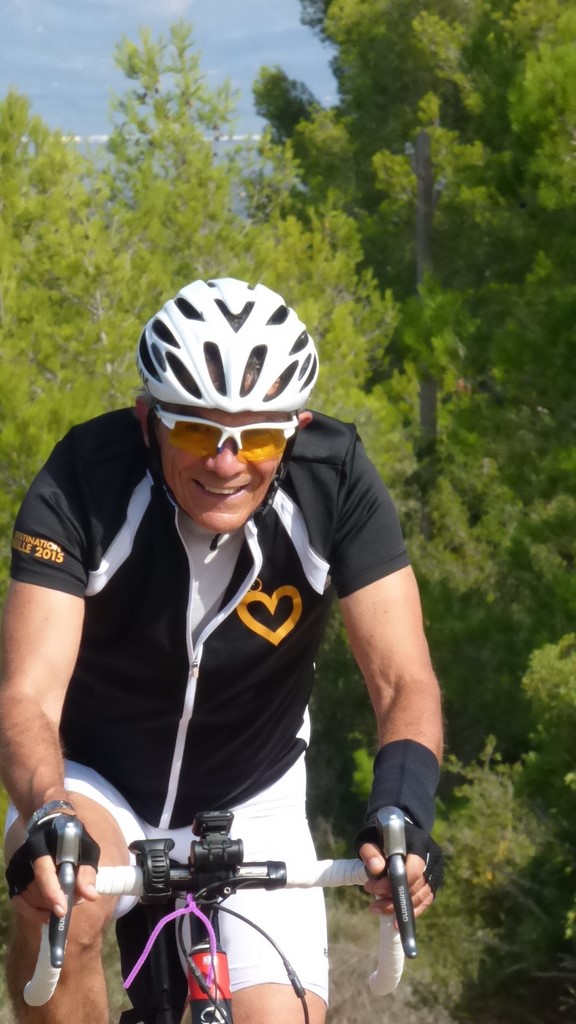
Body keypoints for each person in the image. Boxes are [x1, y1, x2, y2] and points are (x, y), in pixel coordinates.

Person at [0, 277, 443, 1024]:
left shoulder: (335, 480)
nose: (227, 463)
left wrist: (404, 809)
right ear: (148, 421)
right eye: (198, 433)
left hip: (251, 790)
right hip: (96, 782)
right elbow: (26, 695)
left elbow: (403, 681)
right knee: (62, 904)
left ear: (296, 428)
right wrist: (47, 809)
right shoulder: (83, 480)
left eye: (259, 437)